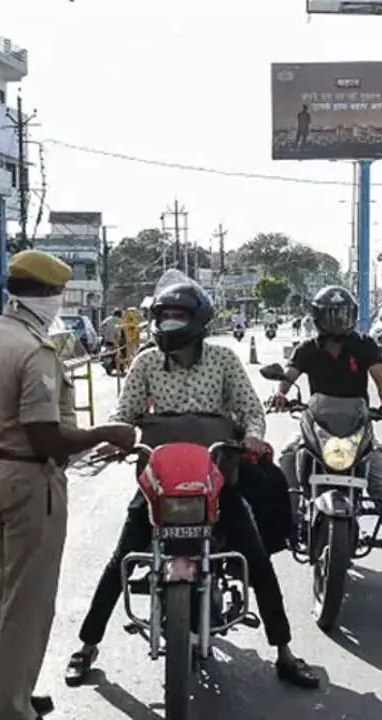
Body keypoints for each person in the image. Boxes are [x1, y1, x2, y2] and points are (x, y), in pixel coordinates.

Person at [65, 281, 320, 690]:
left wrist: (253, 436)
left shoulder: (223, 360)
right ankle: (87, 646)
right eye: (163, 316)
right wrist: (118, 437)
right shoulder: (146, 363)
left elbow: (251, 411)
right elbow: (124, 413)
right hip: (160, 483)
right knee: (122, 558)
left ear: (197, 320)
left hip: (216, 478)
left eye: (177, 316)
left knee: (257, 559)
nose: (169, 323)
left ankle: (285, 652)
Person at [0, 249, 137, 720]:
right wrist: (106, 433)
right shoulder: (32, 349)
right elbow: (44, 436)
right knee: (30, 604)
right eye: (59, 293)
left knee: (8, 591)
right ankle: (9, 710)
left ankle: (3, 692)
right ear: (48, 294)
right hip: (30, 477)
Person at [272, 285, 382, 594]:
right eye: (331, 314)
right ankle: (289, 523)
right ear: (318, 316)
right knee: (285, 458)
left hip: (357, 426)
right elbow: (288, 377)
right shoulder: (307, 349)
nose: (337, 320)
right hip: (317, 425)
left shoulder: (365, 345)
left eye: (342, 314)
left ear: (352, 316)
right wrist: (278, 395)